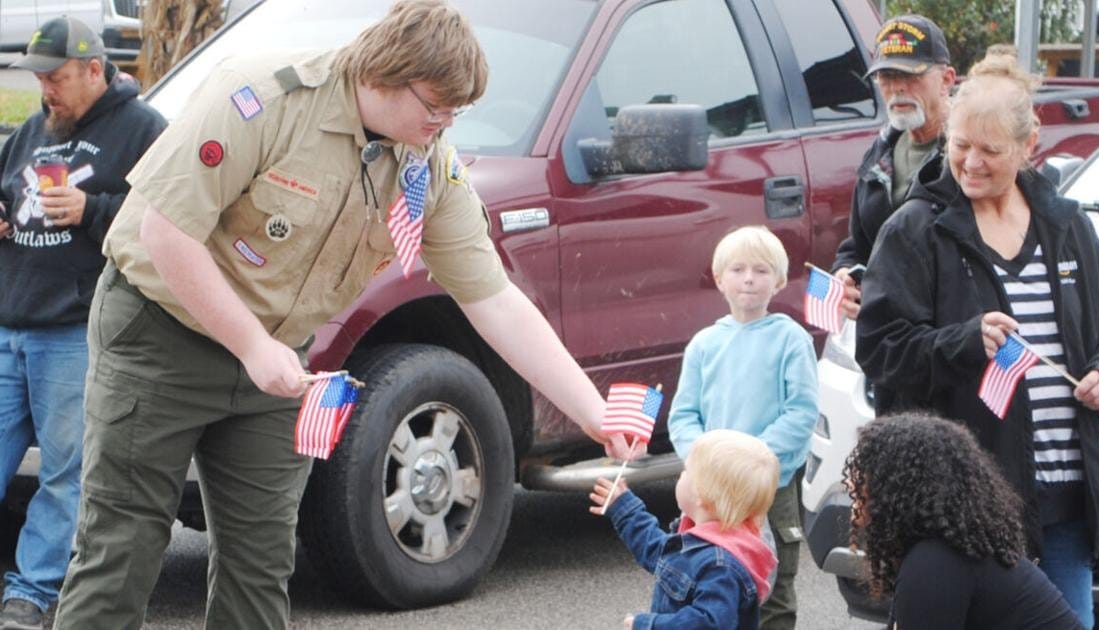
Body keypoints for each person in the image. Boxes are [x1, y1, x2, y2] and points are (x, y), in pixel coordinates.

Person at [51, 1, 640, 628]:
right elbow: (167, 233)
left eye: (456, 113)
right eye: (435, 107)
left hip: (277, 362)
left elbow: (491, 298)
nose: (443, 126)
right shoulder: (262, 98)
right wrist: (251, 345)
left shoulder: (426, 165)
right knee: (122, 554)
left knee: (261, 563)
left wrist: (593, 412)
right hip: (162, 330)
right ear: (385, 76)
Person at [855, 52, 1099, 629]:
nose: (971, 163)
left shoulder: (1067, 225)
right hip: (966, 508)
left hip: (1064, 498)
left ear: (1029, 141)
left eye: (990, 150)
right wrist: (962, 342)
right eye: (960, 145)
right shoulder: (915, 228)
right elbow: (880, 350)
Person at [0, 16, 166, 630]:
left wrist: (91, 210)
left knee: (65, 473)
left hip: (73, 328)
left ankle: (32, 595)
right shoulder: (31, 130)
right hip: (9, 321)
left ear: (95, 70)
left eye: (58, 77)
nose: (47, 89)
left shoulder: (143, 129)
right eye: (40, 77)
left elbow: (169, 211)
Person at [667, 225, 818, 629]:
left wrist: (753, 461)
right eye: (737, 269)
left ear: (780, 281)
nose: (749, 278)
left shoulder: (791, 339)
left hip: (771, 487)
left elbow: (801, 413)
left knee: (772, 587)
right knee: (710, 579)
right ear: (719, 279)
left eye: (761, 270)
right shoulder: (704, 344)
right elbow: (683, 416)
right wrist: (708, 463)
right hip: (712, 492)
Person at [844, 413, 1083, 629]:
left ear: (896, 490)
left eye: (865, 477)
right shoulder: (946, 554)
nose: (853, 487)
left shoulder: (933, 564)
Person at [831, 15, 956, 320]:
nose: (898, 88)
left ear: (947, 80)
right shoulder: (879, 153)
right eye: (886, 76)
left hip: (950, 334)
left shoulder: (970, 156)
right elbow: (858, 246)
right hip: (888, 337)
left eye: (911, 75)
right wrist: (844, 276)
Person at [590, 429, 779, 630]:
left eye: (686, 471)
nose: (681, 474)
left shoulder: (721, 566)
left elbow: (707, 624)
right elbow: (657, 550)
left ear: (702, 495)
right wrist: (625, 509)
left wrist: (650, 625)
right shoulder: (702, 538)